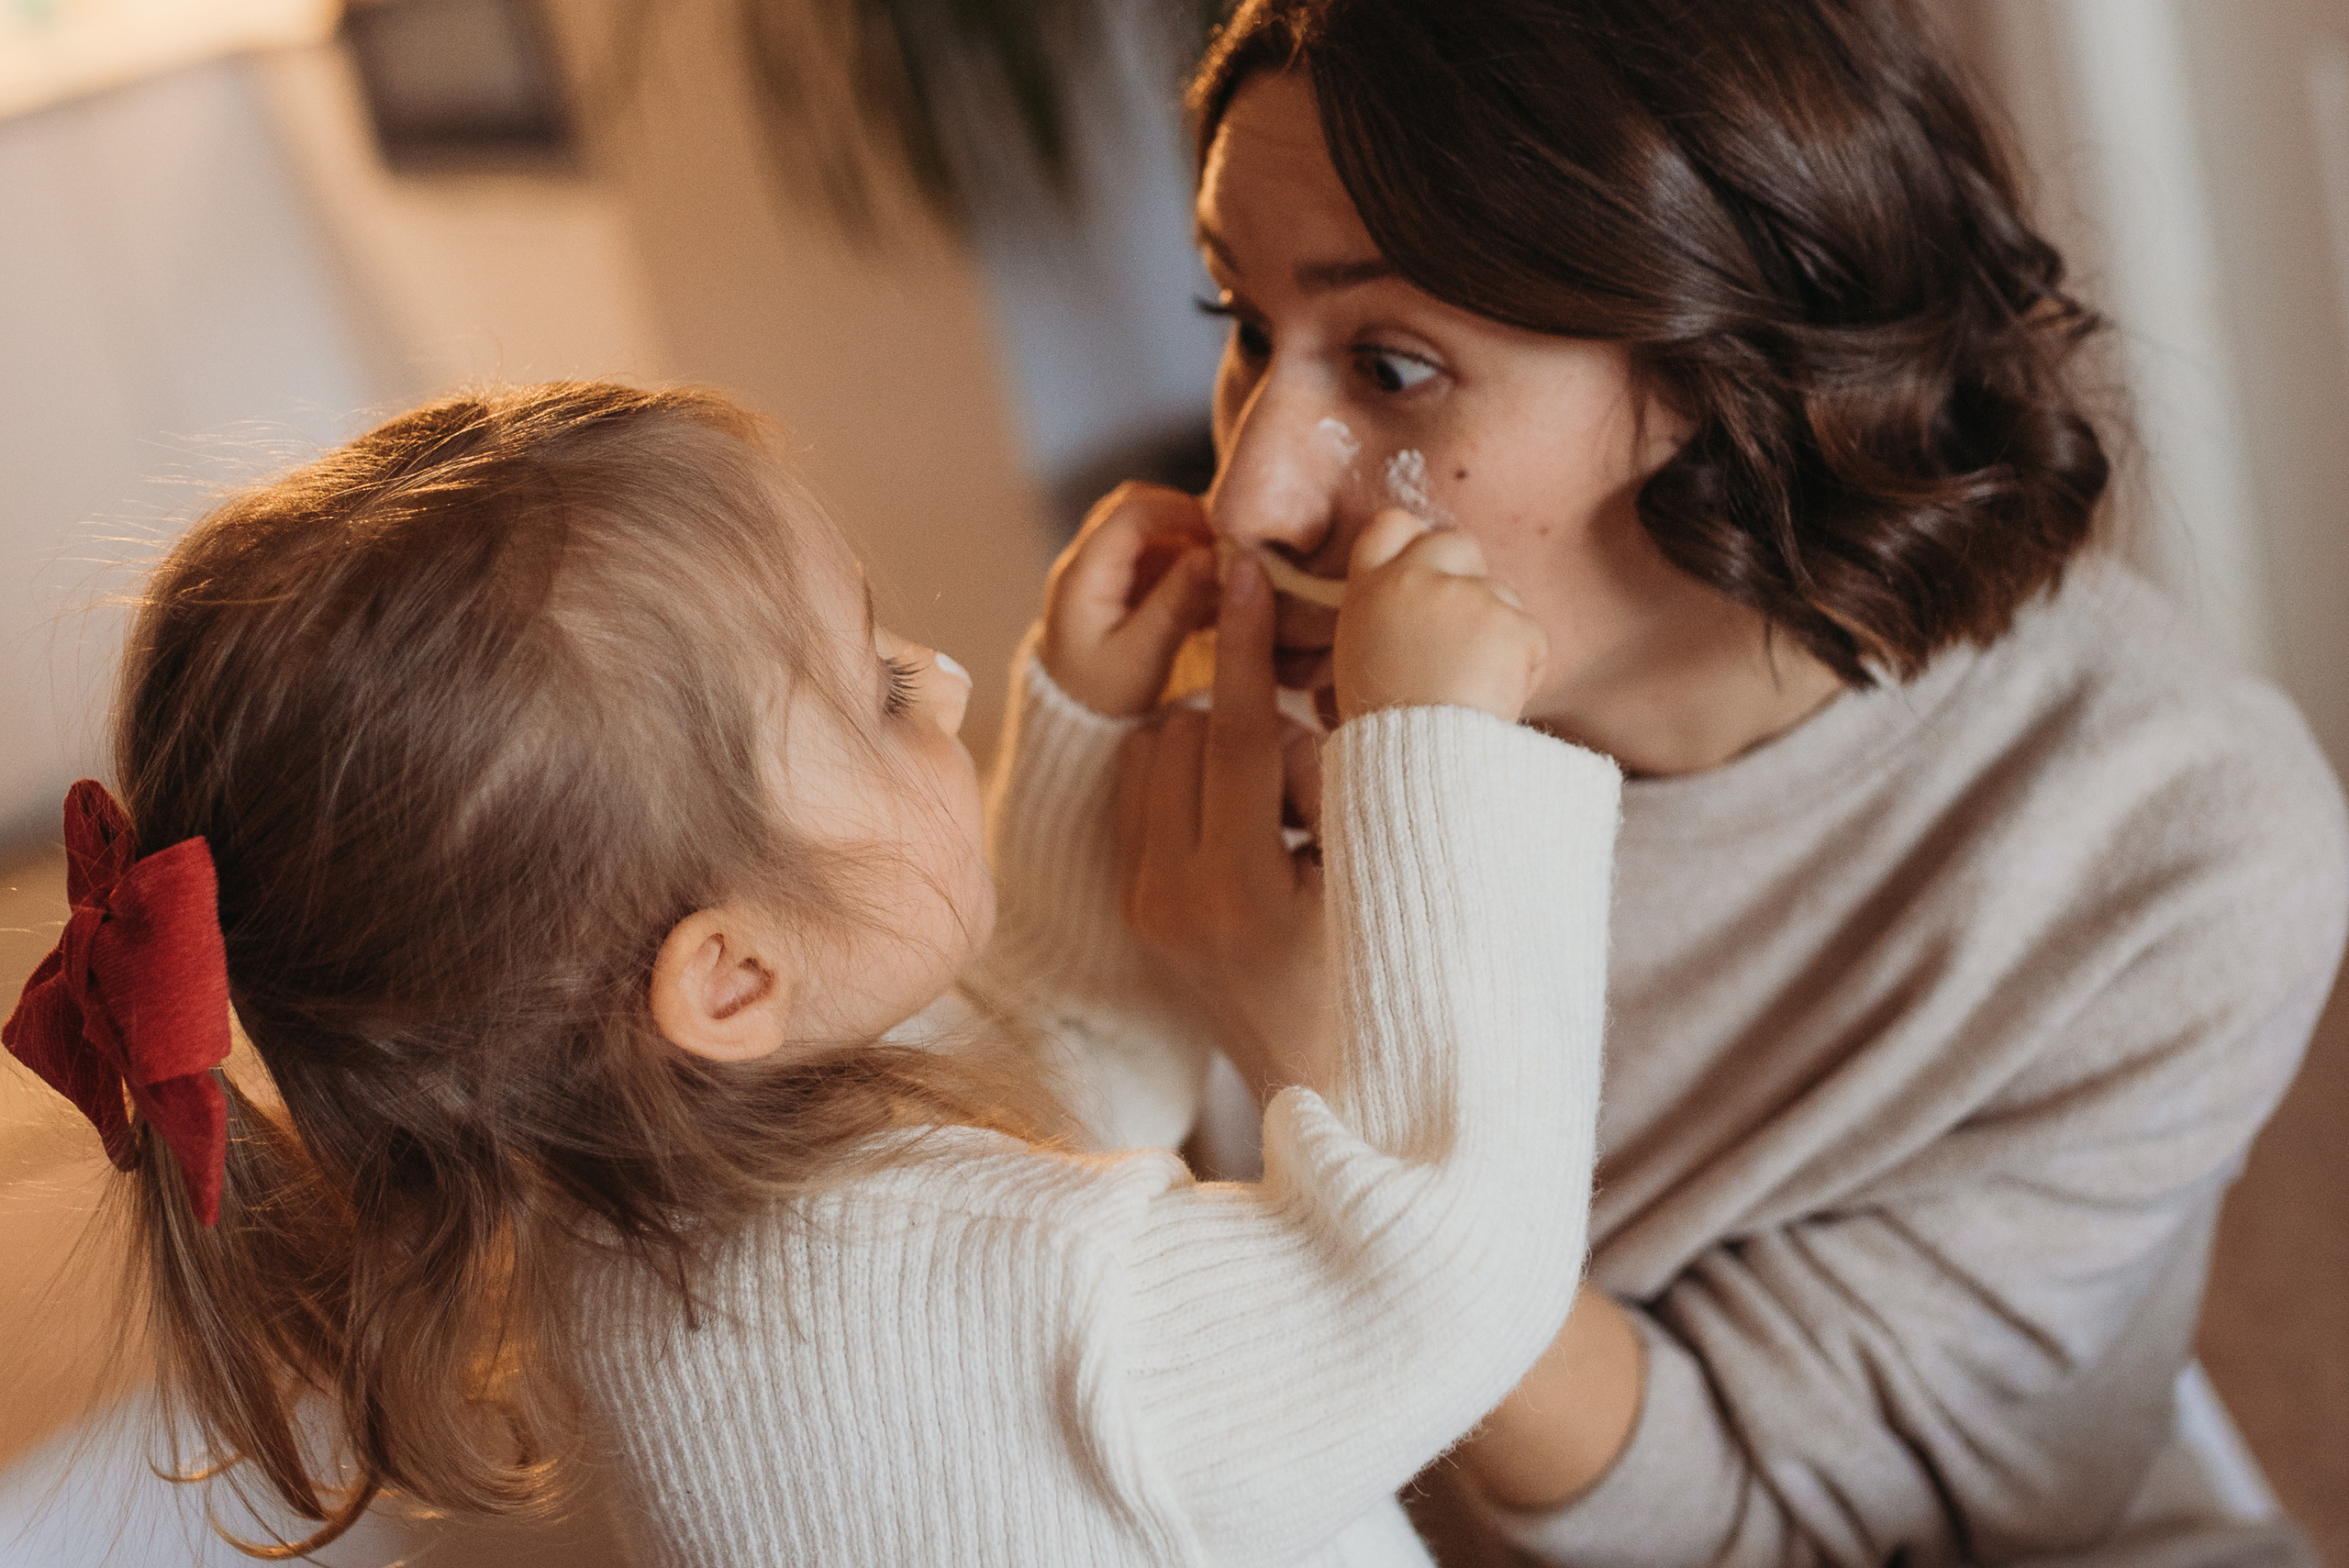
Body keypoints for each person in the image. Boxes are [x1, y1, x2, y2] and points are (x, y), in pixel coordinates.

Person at [1059, 1, 2349, 1564]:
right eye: (1247, 328)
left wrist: (1342, 1083)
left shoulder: (2166, 843)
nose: (1248, 496)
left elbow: (1765, 1516)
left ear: (1729, 364)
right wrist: (1061, 785)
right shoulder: (1255, 708)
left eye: (1393, 365)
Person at [1, 381, 1623, 1567]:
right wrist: (1438, 751)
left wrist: (1083, 724)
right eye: (875, 691)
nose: (946, 676)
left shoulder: (637, 1204)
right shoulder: (997, 1298)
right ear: (727, 980)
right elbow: (1438, 1279)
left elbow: (1037, 1080)